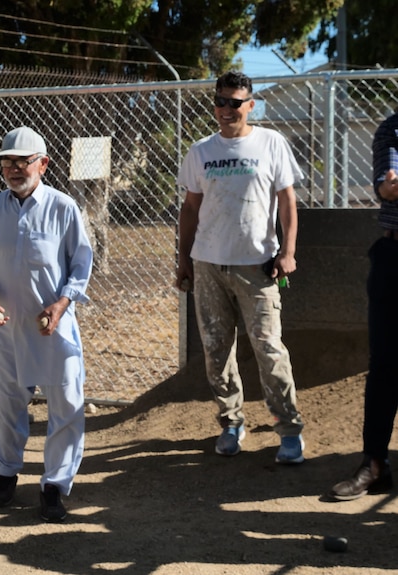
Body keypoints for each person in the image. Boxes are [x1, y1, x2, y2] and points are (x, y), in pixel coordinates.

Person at [175, 70, 306, 464]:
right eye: (220, 101)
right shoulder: (200, 151)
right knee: (217, 350)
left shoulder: (270, 143)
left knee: (268, 348)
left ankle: (288, 429)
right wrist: (184, 261)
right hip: (209, 264)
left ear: (250, 105)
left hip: (257, 266)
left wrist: (288, 252)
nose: (226, 109)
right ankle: (231, 422)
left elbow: (287, 202)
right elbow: (190, 209)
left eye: (235, 102)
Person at [0, 126, 93, 523]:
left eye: (24, 161)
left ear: (44, 164)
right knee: (6, 403)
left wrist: (61, 304)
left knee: (66, 402)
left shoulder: (63, 207)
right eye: (8, 162)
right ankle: (6, 476)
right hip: (5, 328)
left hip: (51, 327)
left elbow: (81, 264)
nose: (15, 169)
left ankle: (54, 485)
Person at [327, 112, 398, 500]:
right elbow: (387, 189)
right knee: (385, 364)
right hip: (393, 254)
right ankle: (374, 464)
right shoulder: (391, 129)